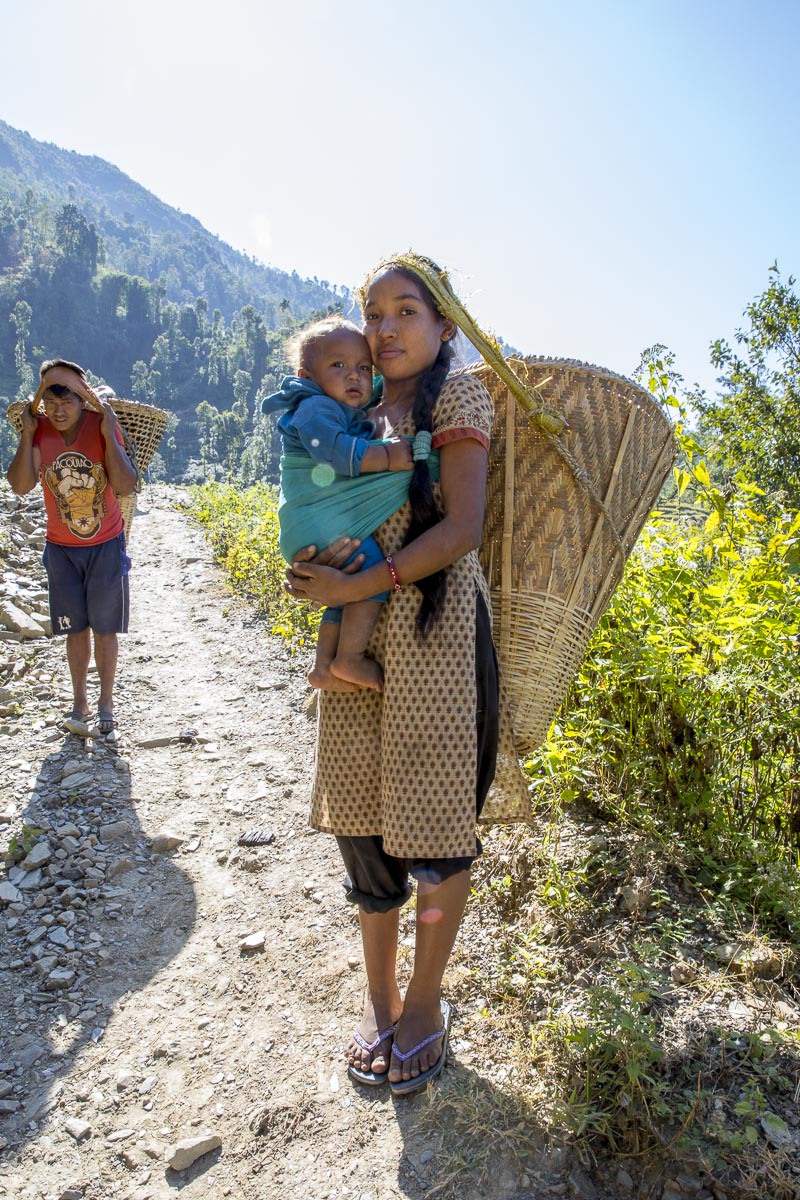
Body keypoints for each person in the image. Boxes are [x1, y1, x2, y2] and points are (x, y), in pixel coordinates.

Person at [284, 256, 529, 1094]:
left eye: (405, 311)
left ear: (444, 326)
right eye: (372, 312)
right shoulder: (348, 407)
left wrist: (360, 583)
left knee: (433, 822)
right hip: (358, 632)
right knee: (361, 813)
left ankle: (426, 1003)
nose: (384, 329)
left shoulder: (456, 399)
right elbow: (316, 503)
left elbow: (460, 527)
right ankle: (379, 995)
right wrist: (313, 569)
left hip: (438, 632)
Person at [262, 317, 414, 692]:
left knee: (344, 588)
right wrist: (390, 458)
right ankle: (350, 657)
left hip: (313, 524)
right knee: (368, 574)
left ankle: (324, 668)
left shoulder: (333, 403)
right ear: (307, 376)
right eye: (339, 366)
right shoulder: (314, 407)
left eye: (364, 368)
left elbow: (380, 385)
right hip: (316, 520)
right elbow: (334, 453)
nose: (355, 377)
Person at [6, 358, 138, 735]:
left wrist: (110, 430)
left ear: (83, 401)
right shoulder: (41, 432)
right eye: (52, 402)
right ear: (43, 402)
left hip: (106, 545)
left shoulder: (100, 426)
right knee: (74, 629)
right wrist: (27, 435)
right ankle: (80, 701)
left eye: (68, 402)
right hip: (61, 548)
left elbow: (125, 484)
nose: (60, 410)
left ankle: (106, 702)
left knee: (105, 629)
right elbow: (20, 485)